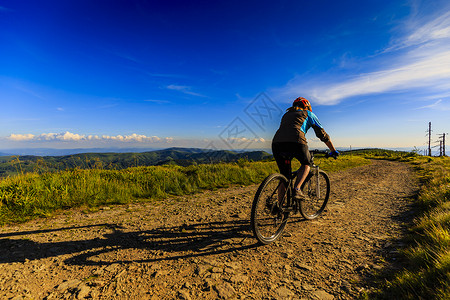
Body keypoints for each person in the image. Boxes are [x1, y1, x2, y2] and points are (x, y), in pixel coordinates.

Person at [272, 97, 339, 200]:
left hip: (277, 143)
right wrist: (333, 150)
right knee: (306, 164)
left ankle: (280, 206)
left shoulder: (286, 114)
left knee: (285, 176)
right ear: (307, 106)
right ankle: (297, 190)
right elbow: (323, 135)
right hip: (296, 140)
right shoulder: (309, 114)